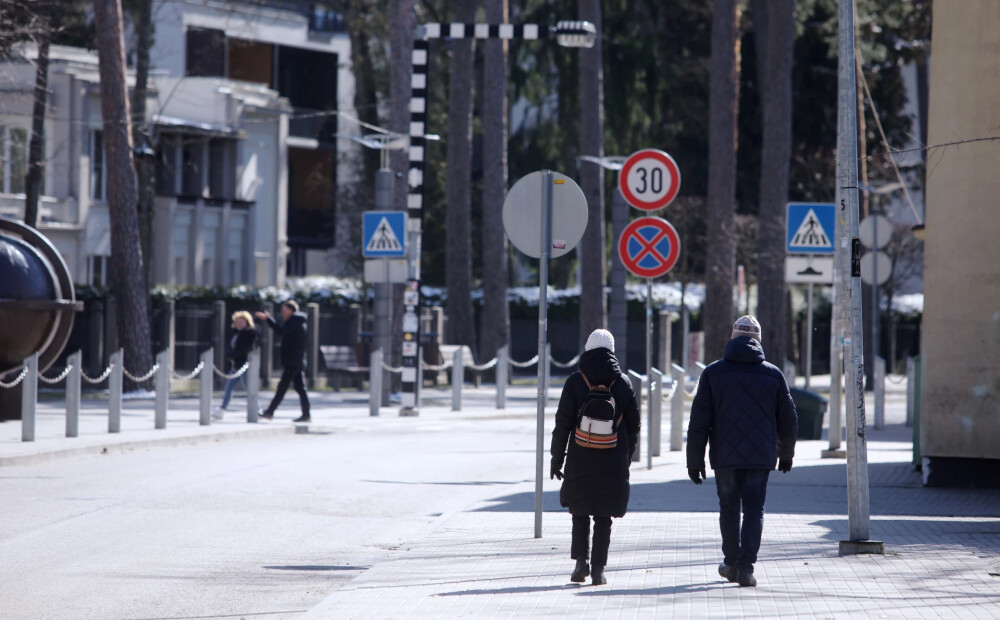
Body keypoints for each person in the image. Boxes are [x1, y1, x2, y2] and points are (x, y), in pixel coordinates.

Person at [686, 315, 798, 587]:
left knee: (728, 508)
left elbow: (699, 421)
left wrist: (694, 460)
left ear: (733, 338)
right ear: (758, 341)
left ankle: (732, 563)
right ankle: (747, 567)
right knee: (754, 510)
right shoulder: (772, 374)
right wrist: (786, 452)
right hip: (760, 456)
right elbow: (789, 418)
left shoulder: (713, 373)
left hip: (724, 456)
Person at [550, 329, 640, 586]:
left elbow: (562, 423)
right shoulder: (622, 383)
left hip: (580, 454)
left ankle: (581, 563)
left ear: (587, 349)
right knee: (604, 514)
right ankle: (599, 569)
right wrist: (627, 455)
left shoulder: (576, 381)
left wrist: (557, 458)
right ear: (612, 351)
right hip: (612, 456)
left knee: (579, 510)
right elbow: (634, 425)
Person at [255, 300, 310, 423]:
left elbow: (281, 331)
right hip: (296, 361)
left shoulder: (294, 321)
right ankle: (306, 415)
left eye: (284, 310)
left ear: (291, 310)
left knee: (282, 388)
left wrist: (269, 320)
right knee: (300, 388)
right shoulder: (297, 321)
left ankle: (270, 412)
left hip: (293, 362)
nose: (283, 313)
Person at [212, 311, 259, 420]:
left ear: (247, 322)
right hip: (235, 366)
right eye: (237, 322)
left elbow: (244, 350)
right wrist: (230, 356)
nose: (239, 324)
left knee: (249, 389)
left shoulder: (250, 334)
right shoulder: (236, 334)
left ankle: (257, 410)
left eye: (241, 322)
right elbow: (230, 348)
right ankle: (222, 409)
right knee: (228, 389)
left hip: (244, 366)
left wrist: (232, 356)